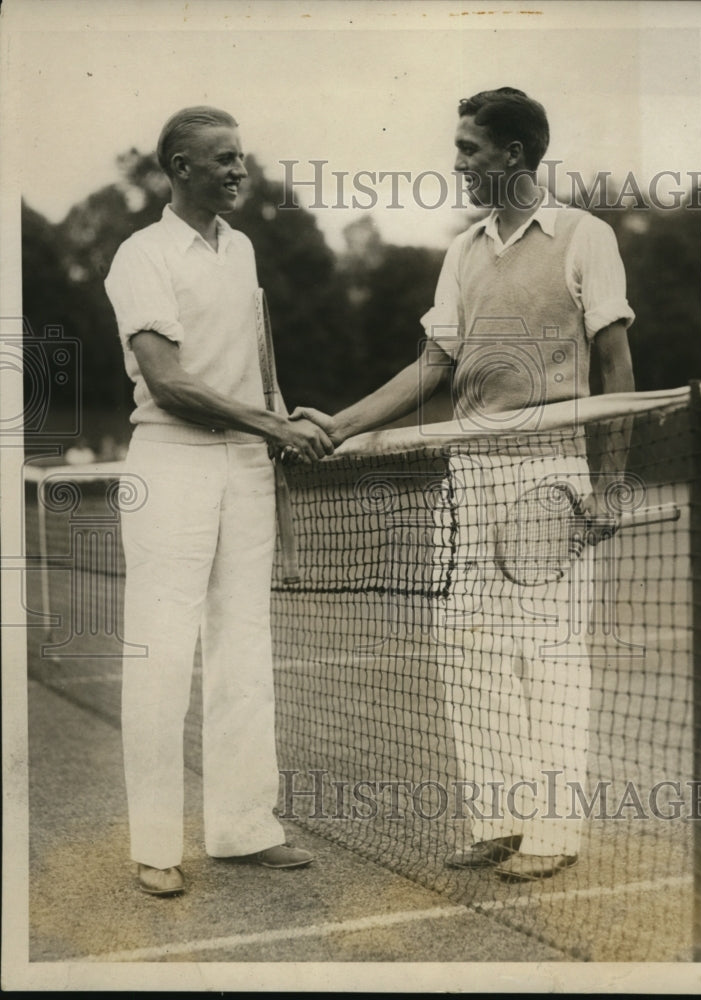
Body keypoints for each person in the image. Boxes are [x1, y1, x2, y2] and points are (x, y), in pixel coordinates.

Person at [294, 87, 635, 882]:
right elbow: (432, 367)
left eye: (469, 148)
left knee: (548, 655)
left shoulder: (587, 237)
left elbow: (616, 366)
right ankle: (500, 821)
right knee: (467, 652)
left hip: (549, 473)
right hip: (467, 474)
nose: (457, 163)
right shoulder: (460, 252)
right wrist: (337, 427)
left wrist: (607, 488)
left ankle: (554, 831)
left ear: (512, 155)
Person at [104, 106, 333, 896]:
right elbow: (168, 383)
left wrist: (280, 437)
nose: (240, 170)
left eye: (243, 157)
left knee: (243, 655)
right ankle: (156, 846)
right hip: (169, 463)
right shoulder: (140, 254)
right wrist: (270, 423)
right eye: (223, 160)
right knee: (161, 657)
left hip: (245, 465)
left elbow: (260, 369)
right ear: (179, 167)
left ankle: (242, 829)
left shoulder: (242, 249)